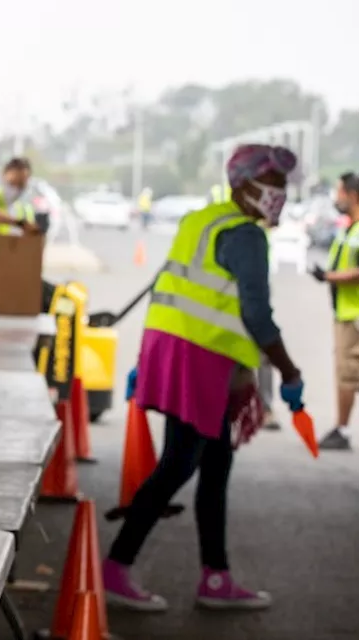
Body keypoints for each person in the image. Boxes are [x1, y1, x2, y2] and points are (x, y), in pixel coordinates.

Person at [104, 144, 304, 613]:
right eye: (271, 184)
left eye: (282, 187)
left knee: (215, 468)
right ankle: (115, 568)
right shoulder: (246, 237)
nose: (279, 195)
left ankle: (216, 577)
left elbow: (170, 285)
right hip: (202, 363)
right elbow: (257, 314)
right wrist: (289, 370)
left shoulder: (202, 219)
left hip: (180, 354)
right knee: (179, 465)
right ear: (243, 183)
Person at [311, 171, 360, 450]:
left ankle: (342, 429)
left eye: (340, 193)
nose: (336, 199)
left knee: (347, 374)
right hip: (345, 312)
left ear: (353, 196)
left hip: (354, 315)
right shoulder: (349, 229)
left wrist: (328, 277)